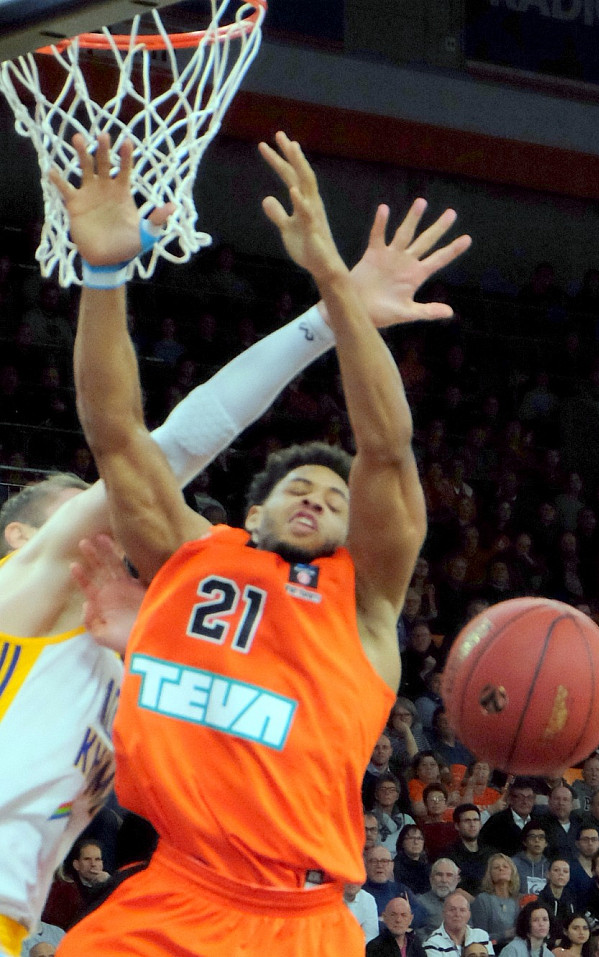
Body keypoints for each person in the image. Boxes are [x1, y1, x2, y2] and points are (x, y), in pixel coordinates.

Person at [0, 127, 469, 955]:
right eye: (298, 485)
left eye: (335, 495)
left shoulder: (361, 603)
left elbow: (388, 449)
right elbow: (125, 438)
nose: (317, 495)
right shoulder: (185, 563)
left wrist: (336, 288)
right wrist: (104, 278)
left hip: (300, 913)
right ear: (248, 517)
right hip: (176, 893)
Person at [470, 854, 522, 948]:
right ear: (490, 874)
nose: (501, 869)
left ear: (512, 872)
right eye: (496, 867)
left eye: (505, 866)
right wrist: (504, 935)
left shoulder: (517, 900)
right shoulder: (483, 900)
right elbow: (479, 937)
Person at [425, 892, 494, 957]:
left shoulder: (481, 936)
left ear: (469, 915)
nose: (457, 914)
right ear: (443, 913)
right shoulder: (433, 944)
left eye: (462, 910)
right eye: (452, 910)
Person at [446, 804, 495, 896]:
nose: (472, 825)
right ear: (457, 825)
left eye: (475, 820)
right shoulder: (449, 856)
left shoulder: (491, 853)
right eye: (467, 821)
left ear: (480, 824)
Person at [480, 780, 537, 855]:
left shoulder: (539, 821)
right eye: (520, 797)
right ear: (510, 799)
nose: (525, 802)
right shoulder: (496, 822)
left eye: (529, 798)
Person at [416, 859, 462, 941]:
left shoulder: (463, 903)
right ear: (431, 878)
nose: (444, 880)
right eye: (439, 875)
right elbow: (419, 936)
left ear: (457, 880)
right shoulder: (420, 903)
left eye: (449, 875)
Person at [511, 821, 550, 895]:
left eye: (541, 837)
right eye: (532, 837)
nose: (537, 840)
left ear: (546, 843)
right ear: (524, 842)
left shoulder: (549, 866)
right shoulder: (513, 864)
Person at [536, 859, 577, 926]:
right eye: (556, 870)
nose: (561, 874)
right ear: (548, 874)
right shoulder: (540, 898)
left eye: (565, 871)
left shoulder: (572, 898)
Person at [393, 826, 430, 895]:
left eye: (419, 838)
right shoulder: (395, 867)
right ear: (402, 842)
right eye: (411, 838)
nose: (416, 842)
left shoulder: (427, 867)